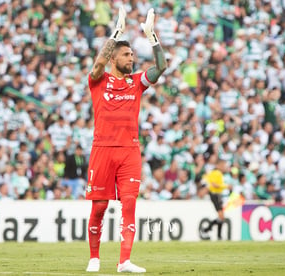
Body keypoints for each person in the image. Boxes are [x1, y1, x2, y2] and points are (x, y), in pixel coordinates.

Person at [85, 6, 167, 273]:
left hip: (130, 151)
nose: (131, 58)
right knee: (99, 208)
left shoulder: (137, 82)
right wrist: (116, 34)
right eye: (126, 54)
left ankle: (124, 261)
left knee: (129, 203)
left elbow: (161, 67)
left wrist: (152, 37)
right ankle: (94, 258)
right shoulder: (99, 80)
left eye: (132, 54)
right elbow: (97, 65)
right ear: (114, 58)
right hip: (103, 150)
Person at [199, 159, 230, 240]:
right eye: (223, 165)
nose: (224, 167)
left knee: (221, 216)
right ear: (218, 165)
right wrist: (226, 186)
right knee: (221, 216)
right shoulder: (216, 173)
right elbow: (214, 184)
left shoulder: (215, 173)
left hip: (217, 195)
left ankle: (218, 235)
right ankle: (206, 230)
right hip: (214, 195)